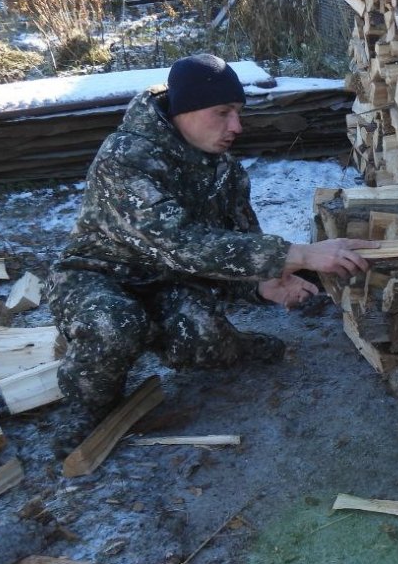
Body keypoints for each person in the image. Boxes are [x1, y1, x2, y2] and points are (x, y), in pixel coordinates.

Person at [48, 53, 370, 417]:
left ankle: (230, 344)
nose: (236, 126)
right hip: (96, 274)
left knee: (202, 335)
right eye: (222, 112)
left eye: (238, 112)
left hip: (167, 279)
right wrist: (300, 254)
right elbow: (181, 244)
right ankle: (86, 411)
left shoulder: (224, 171)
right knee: (114, 324)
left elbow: (235, 246)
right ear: (184, 110)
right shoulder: (126, 157)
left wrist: (262, 283)